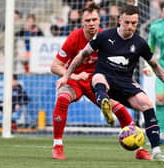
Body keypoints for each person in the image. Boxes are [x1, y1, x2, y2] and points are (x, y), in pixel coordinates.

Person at [57, 5, 164, 161]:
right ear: (119, 20)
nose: (130, 27)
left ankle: (156, 150)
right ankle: (104, 102)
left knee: (147, 104)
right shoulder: (104, 36)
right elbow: (82, 55)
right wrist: (67, 76)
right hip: (104, 78)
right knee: (98, 78)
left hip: (125, 83)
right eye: (127, 22)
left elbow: (155, 66)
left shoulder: (140, 43)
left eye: (134, 23)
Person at [148, 1, 164, 144]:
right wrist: (148, 65)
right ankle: (161, 133)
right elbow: (150, 48)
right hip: (162, 67)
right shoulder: (155, 27)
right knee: (159, 99)